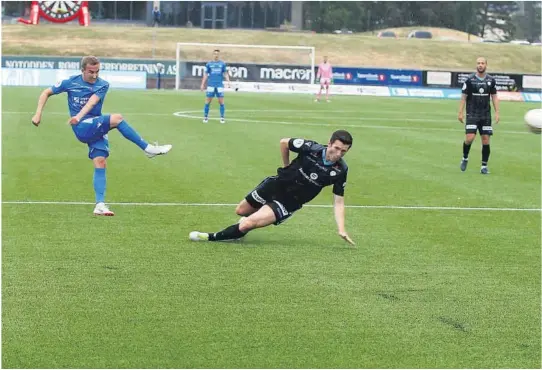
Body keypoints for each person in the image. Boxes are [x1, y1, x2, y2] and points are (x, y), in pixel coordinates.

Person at [31, 55, 172, 216]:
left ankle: (99, 204)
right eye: (91, 72)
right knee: (117, 118)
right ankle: (148, 148)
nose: (95, 75)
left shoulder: (102, 84)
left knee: (100, 161)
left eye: (97, 71)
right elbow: (45, 93)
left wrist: (78, 116)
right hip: (82, 127)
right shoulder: (70, 82)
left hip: (94, 125)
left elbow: (92, 102)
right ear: (82, 70)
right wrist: (38, 114)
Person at [189, 130, 355, 245]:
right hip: (276, 184)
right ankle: (253, 220)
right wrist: (286, 165)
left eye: (343, 151)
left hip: (290, 201)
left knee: (248, 224)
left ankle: (210, 237)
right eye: (337, 148)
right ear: (329, 143)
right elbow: (284, 142)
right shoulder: (311, 148)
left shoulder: (341, 170)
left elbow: (339, 202)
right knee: (241, 212)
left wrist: (341, 229)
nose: (339, 154)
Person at [457, 57, 500, 174]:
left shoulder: (491, 80)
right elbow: (463, 97)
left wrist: (497, 112)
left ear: (486, 65)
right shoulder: (469, 80)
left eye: (482, 63)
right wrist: (460, 112)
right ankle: (465, 157)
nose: (480, 65)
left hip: (485, 115)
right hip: (472, 113)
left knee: (486, 140)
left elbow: (494, 96)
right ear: (476, 65)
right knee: (469, 138)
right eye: (478, 63)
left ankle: (484, 166)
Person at [200, 49, 230, 124]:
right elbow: (206, 74)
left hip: (219, 85)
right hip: (211, 85)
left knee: (221, 102)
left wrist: (228, 82)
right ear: (213, 54)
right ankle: (205, 117)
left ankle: (222, 117)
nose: (216, 55)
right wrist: (202, 84)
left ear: (219, 55)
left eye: (217, 54)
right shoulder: (209, 64)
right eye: (215, 54)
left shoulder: (222, 64)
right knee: (208, 101)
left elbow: (225, 73)